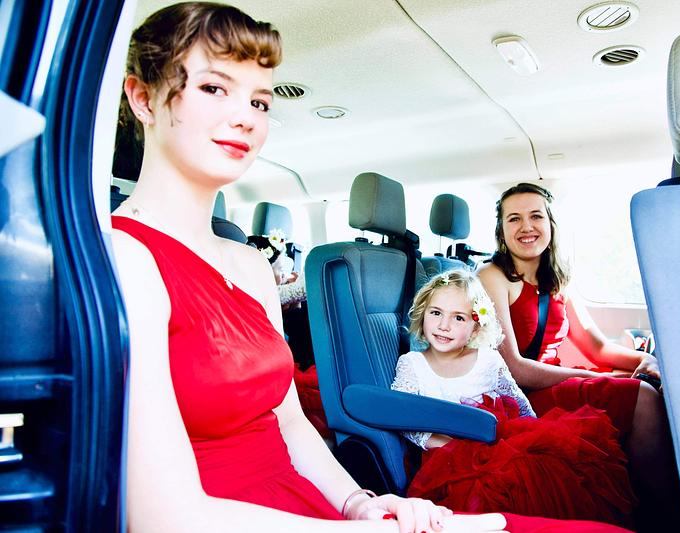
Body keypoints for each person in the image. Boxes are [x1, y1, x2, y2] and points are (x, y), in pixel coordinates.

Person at [109, 4, 623, 532]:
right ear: (143, 98)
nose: (246, 117)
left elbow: (288, 423)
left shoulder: (251, 265)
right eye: (214, 88)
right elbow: (162, 516)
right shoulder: (125, 257)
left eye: (259, 101)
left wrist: (360, 502)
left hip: (311, 506)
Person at [477, 183, 680, 531]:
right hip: (520, 397)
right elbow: (514, 368)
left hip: (552, 379)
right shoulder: (491, 276)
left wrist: (646, 361)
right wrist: (597, 377)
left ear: (550, 224)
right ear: (502, 231)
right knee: (641, 396)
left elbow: (596, 347)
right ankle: (666, 519)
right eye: (514, 219)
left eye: (536, 216)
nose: (526, 227)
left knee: (647, 384)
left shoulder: (557, 279)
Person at [391, 271, 634, 527]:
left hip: (497, 444)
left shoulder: (488, 359)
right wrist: (442, 445)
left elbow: (517, 402)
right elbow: (404, 416)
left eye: (458, 317)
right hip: (446, 457)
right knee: (483, 490)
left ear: (476, 326)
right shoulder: (412, 363)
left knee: (536, 475)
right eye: (436, 313)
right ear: (423, 313)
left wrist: (536, 437)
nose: (444, 325)